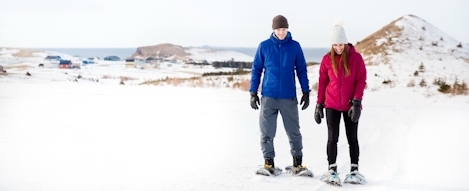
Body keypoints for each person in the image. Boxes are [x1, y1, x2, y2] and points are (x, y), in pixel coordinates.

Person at [250, 15, 312, 176]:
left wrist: (306, 92)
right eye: (278, 29)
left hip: (288, 97)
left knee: (293, 132)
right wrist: (253, 92)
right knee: (266, 132)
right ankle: (268, 163)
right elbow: (256, 70)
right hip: (268, 96)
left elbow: (301, 70)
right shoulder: (264, 46)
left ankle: (297, 163)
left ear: (287, 29)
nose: (281, 32)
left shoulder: (295, 46)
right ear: (274, 30)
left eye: (284, 29)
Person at [315, 19, 367, 185]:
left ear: (345, 43)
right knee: (332, 138)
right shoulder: (326, 59)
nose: (338, 48)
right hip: (331, 105)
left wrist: (357, 102)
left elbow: (361, 80)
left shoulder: (356, 58)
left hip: (351, 105)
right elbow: (323, 82)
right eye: (335, 45)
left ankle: (354, 170)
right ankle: (332, 169)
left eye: (341, 45)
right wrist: (319, 104)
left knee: (352, 138)